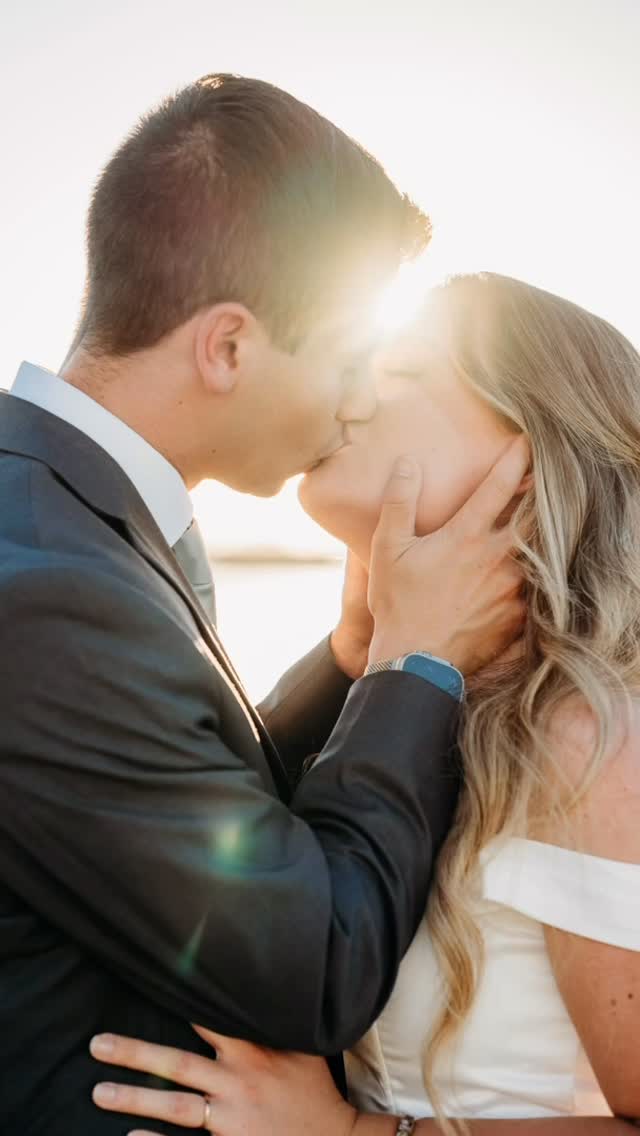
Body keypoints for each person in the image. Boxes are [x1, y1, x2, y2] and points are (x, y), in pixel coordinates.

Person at [0, 79, 525, 1136]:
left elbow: (193, 803)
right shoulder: (49, 591)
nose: (360, 400)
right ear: (228, 346)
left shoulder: (62, 515)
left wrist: (348, 657)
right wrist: (412, 669)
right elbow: (315, 962)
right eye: (344, 357)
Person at [92, 274, 640, 1133]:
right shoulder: (419, 702)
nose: (348, 396)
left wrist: (349, 1133)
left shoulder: (591, 739)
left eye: (404, 369)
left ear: (528, 451)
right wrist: (367, 651)